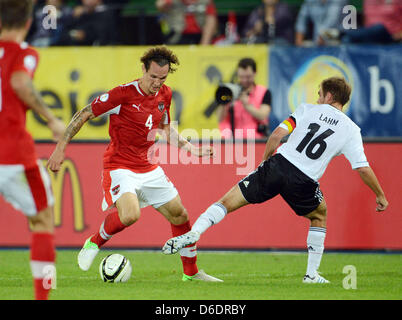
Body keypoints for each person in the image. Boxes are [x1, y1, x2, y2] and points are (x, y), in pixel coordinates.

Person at [162, 77, 389, 283]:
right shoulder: (351, 130)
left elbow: (276, 136)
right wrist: (379, 194)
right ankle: (311, 274)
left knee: (226, 202)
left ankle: (196, 233)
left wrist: (264, 163)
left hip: (278, 165)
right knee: (319, 215)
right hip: (304, 181)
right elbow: (362, 168)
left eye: (320, 94)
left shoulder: (307, 109)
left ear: (329, 96)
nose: (317, 98)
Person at [47, 46, 222, 282]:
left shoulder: (165, 95)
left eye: (162, 78)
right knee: (130, 215)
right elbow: (85, 113)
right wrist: (60, 148)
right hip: (119, 166)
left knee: (180, 215)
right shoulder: (123, 94)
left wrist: (192, 149)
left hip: (148, 167)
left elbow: (165, 128)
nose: (157, 83)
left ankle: (191, 273)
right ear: (143, 70)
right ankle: (94, 242)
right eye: (153, 77)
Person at [0, 0, 65, 300]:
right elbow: (20, 82)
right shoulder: (23, 54)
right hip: (12, 154)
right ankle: (44, 295)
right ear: (27, 22)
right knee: (42, 221)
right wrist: (51, 118)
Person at [217, 57, 272, 139]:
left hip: (256, 141)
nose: (244, 80)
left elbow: (263, 116)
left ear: (255, 73)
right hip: (232, 141)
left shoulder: (264, 92)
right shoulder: (230, 91)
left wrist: (247, 105)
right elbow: (220, 118)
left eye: (248, 77)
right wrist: (224, 102)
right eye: (241, 77)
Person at [322, 0, 402, 44]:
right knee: (347, 40)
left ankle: (341, 34)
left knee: (379, 28)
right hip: (370, 36)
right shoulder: (368, 1)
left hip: (390, 37)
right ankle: (342, 35)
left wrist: (395, 37)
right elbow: (365, 22)